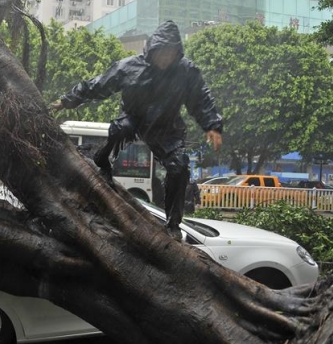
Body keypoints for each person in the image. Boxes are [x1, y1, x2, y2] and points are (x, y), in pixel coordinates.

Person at [51, 20, 223, 240]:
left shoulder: (186, 72)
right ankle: (103, 159)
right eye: (162, 53)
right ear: (153, 50)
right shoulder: (130, 66)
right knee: (120, 129)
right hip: (133, 118)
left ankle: (172, 224)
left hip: (166, 128)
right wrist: (67, 100)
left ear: (177, 53)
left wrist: (213, 125)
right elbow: (99, 84)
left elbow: (201, 99)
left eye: (170, 54)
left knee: (179, 167)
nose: (165, 58)